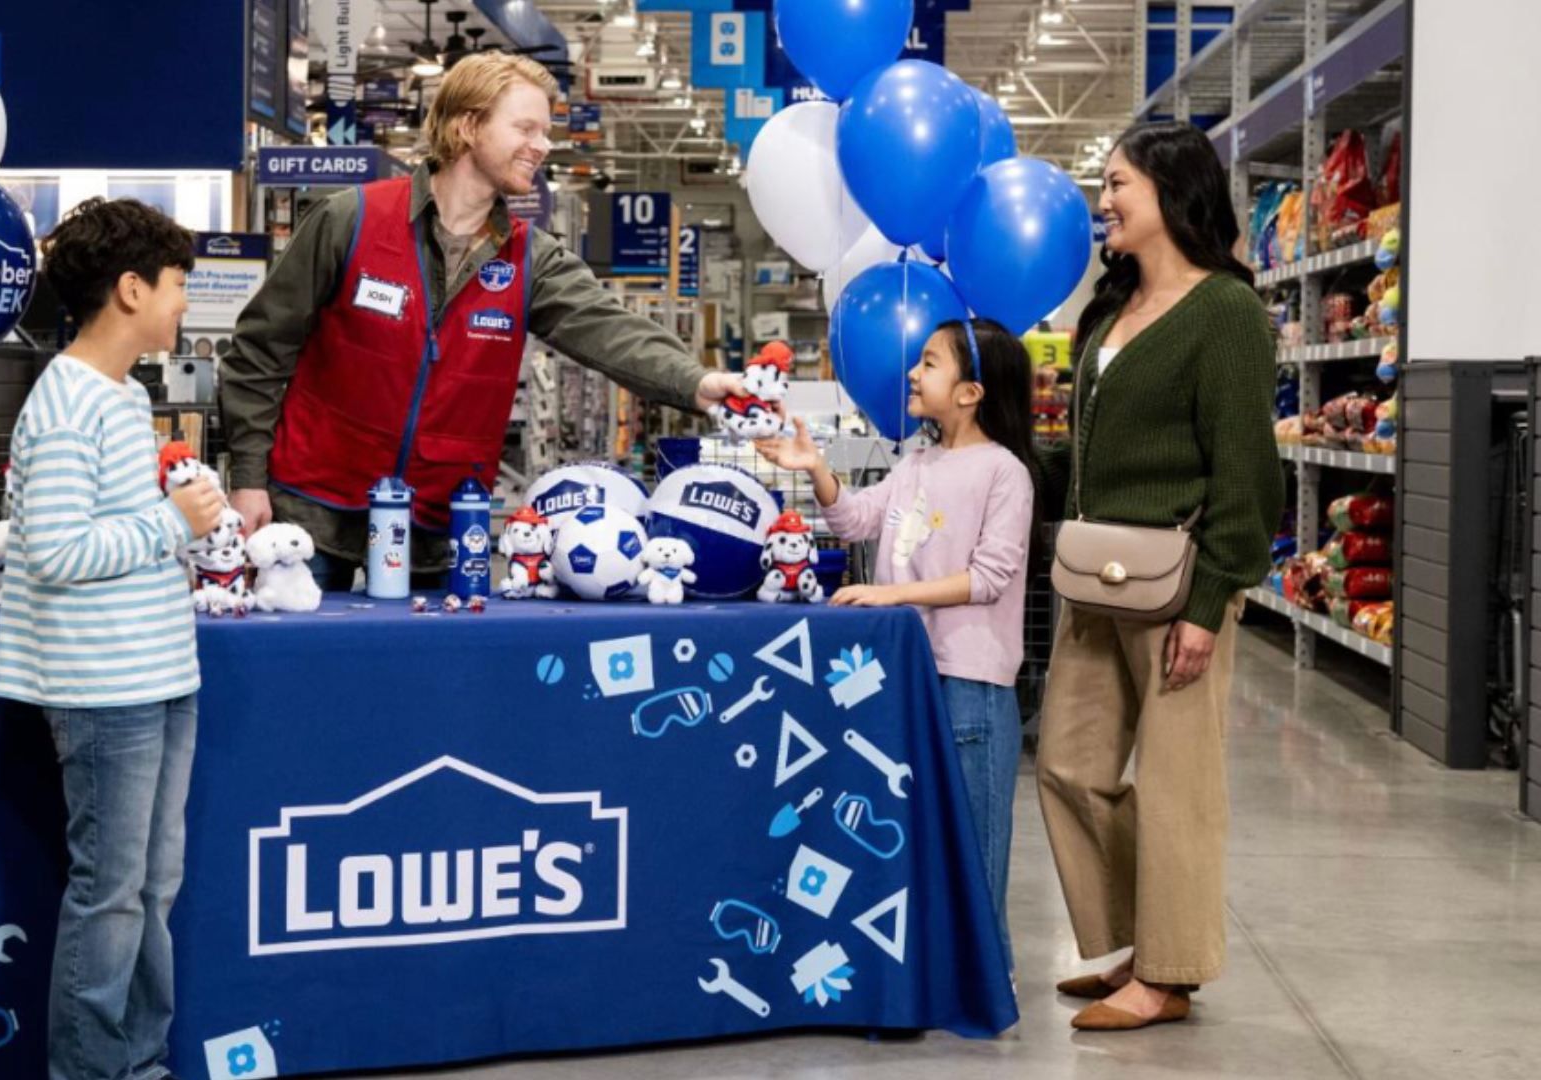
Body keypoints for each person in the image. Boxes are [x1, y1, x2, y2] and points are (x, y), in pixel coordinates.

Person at [220, 52, 747, 587]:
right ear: (467, 126)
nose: (542, 145)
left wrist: (697, 382)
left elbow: (610, 329)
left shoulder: (529, 259)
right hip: (310, 513)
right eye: (526, 128)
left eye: (546, 131)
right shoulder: (350, 220)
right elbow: (259, 353)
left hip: (436, 526)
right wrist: (248, 479)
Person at [1033, 121, 1283, 1031]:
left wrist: (1213, 601)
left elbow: (1250, 472)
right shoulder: (1107, 313)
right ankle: (1126, 946)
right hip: (1094, 580)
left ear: (1171, 193)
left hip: (1179, 584)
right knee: (1068, 764)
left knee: (1179, 785)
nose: (1104, 201)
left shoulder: (1225, 314)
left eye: (1118, 184)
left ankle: (1169, 973)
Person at [0, 197, 224, 1080]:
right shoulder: (65, 406)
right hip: (103, 691)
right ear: (130, 289)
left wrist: (173, 529)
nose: (181, 305)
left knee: (149, 890)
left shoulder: (121, 396)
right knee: (112, 897)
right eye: (175, 286)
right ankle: (93, 1071)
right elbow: (51, 551)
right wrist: (171, 524)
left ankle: (141, 1061)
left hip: (158, 676)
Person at [754, 318, 1036, 975]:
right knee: (917, 840)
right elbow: (855, 519)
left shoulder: (1004, 473)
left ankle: (986, 979)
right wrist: (816, 469)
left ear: (970, 392)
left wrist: (892, 597)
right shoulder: (916, 461)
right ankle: (932, 978)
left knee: (975, 844)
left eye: (931, 363)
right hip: (904, 676)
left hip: (971, 683)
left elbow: (991, 578)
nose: (913, 372)